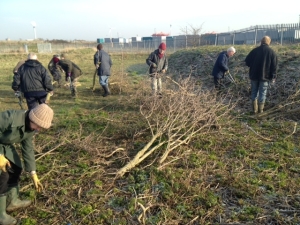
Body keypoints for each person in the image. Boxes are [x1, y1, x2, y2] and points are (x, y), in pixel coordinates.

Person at [0, 104, 54, 225]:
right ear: (32, 119)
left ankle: (11, 202)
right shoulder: (9, 118)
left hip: (5, 146)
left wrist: (33, 173)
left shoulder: (31, 128)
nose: (38, 130)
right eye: (38, 126)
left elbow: (28, 149)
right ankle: (1, 215)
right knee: (2, 176)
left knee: (16, 168)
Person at [245, 36, 278, 114]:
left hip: (254, 75)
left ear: (261, 41)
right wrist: (274, 76)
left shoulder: (254, 51)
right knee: (262, 93)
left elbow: (247, 62)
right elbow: (274, 66)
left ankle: (254, 110)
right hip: (265, 77)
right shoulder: (272, 52)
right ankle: (260, 111)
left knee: (254, 92)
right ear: (269, 42)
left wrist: (252, 66)